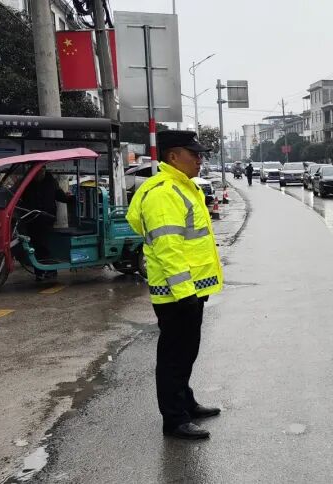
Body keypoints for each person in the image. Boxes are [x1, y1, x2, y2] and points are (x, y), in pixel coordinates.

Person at [126, 131, 224, 440]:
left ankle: (185, 403)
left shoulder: (182, 186)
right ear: (173, 156)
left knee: (186, 353)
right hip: (177, 293)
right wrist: (184, 293)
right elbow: (168, 248)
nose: (199, 160)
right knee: (173, 357)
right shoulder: (164, 193)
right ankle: (174, 419)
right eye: (193, 154)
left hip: (190, 290)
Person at [20, 167, 74, 277]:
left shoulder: (51, 182)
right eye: (37, 172)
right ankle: (40, 271)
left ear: (44, 171)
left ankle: (50, 270)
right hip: (31, 219)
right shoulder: (28, 183)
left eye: (41, 171)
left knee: (44, 245)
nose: (39, 174)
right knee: (35, 246)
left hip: (46, 219)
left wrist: (72, 199)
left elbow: (60, 196)